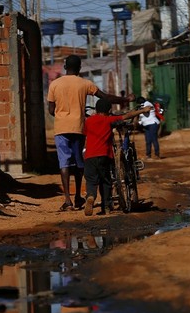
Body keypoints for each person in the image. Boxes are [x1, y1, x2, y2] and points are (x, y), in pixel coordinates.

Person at [47, 54, 132, 211]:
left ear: (65, 67)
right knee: (79, 162)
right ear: (80, 68)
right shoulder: (84, 83)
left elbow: (51, 109)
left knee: (64, 163)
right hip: (78, 128)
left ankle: (67, 201)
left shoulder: (54, 84)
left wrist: (61, 116)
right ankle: (79, 196)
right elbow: (104, 98)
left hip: (60, 128)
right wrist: (125, 99)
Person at [81, 98, 147, 216]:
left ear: (96, 109)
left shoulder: (89, 121)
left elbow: (84, 133)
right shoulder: (108, 120)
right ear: (109, 110)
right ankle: (106, 207)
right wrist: (143, 110)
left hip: (89, 156)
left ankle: (91, 196)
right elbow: (126, 116)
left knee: (91, 180)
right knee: (105, 181)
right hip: (104, 155)